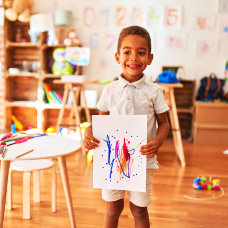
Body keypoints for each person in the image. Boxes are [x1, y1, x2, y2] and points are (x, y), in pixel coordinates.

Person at [84, 25, 170, 228]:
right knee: (113, 208)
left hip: (143, 160)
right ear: (117, 57)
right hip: (113, 160)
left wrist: (157, 142)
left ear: (149, 58)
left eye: (141, 53)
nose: (134, 58)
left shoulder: (154, 91)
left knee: (139, 209)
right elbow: (100, 120)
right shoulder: (109, 90)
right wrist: (89, 130)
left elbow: (164, 123)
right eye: (127, 52)